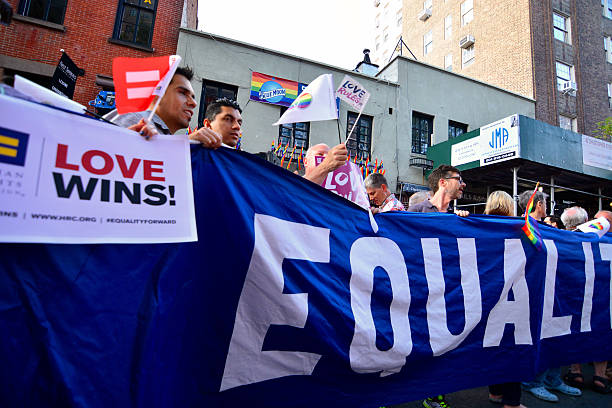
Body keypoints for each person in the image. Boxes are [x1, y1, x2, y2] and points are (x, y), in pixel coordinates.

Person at [106, 66, 223, 148]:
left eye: (193, 97)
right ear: (157, 94)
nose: (194, 103)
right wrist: (186, 143)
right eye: (183, 93)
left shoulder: (162, 132)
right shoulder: (135, 119)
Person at [485, 191, 527, 408]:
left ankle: (495, 392)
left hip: (486, 298)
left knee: (492, 346)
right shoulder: (519, 228)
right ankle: (512, 402)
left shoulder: (479, 226)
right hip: (512, 297)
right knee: (512, 349)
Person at [563, 208, 612, 394]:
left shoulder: (575, 239)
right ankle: (599, 376)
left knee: (576, 328)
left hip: (579, 294)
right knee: (603, 331)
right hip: (604, 297)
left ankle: (576, 371)